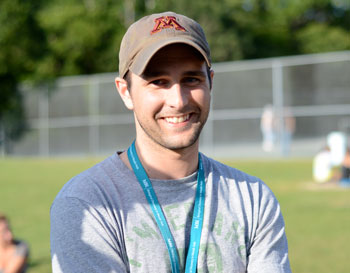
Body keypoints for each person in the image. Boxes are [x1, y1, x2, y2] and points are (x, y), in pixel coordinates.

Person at [50, 11, 291, 273]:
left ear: (210, 82)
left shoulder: (253, 198)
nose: (178, 100)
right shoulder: (86, 203)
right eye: (158, 82)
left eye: (191, 79)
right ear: (125, 92)